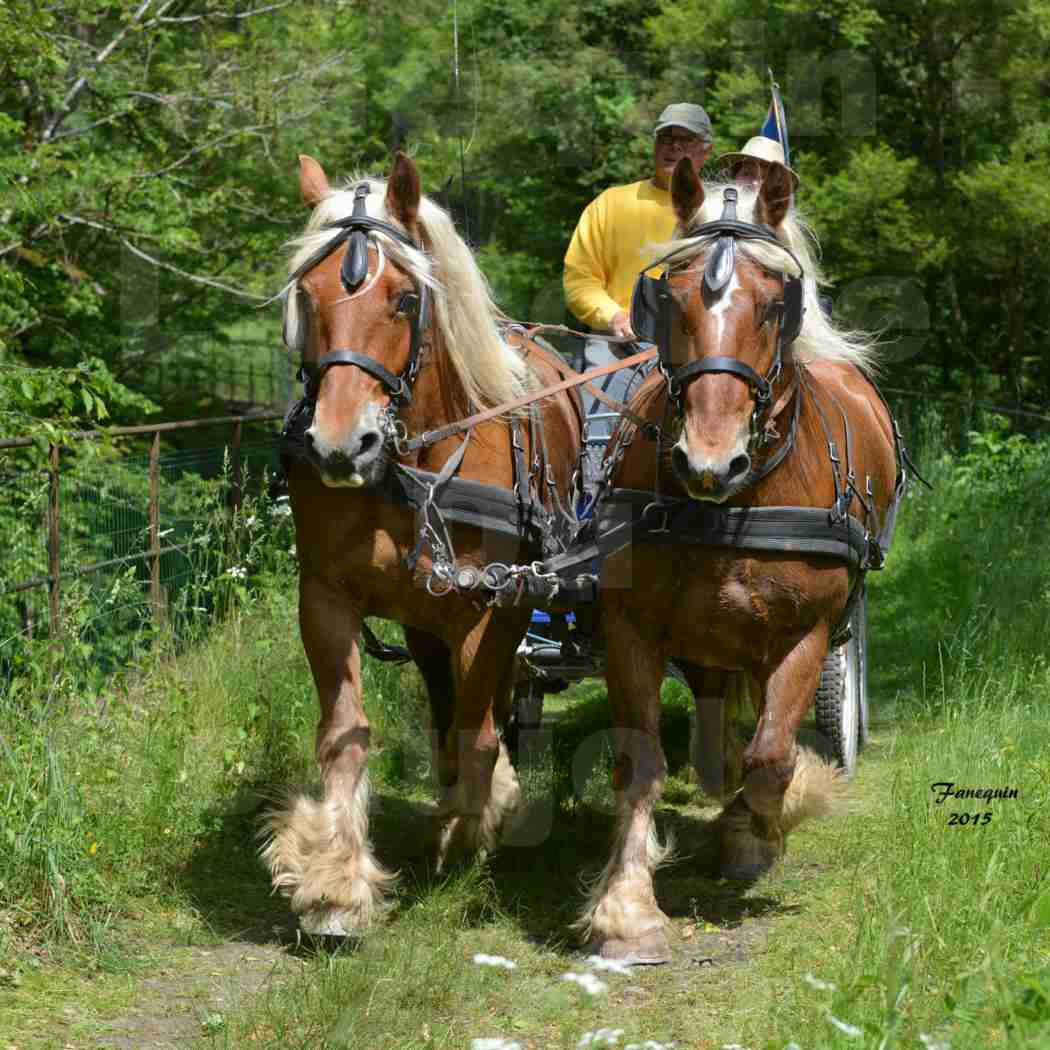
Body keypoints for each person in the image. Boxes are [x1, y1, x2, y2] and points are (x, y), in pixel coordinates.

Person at [563, 102, 714, 486]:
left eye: (685, 140)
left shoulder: (717, 211)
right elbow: (579, 279)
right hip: (618, 351)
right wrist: (612, 315)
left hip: (700, 357)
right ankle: (587, 511)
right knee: (594, 449)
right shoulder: (612, 204)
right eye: (666, 138)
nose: (674, 148)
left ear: (705, 150)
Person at [714, 135, 799, 195]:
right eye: (747, 174)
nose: (754, 183)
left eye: (765, 179)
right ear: (734, 176)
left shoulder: (784, 221)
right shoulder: (710, 214)